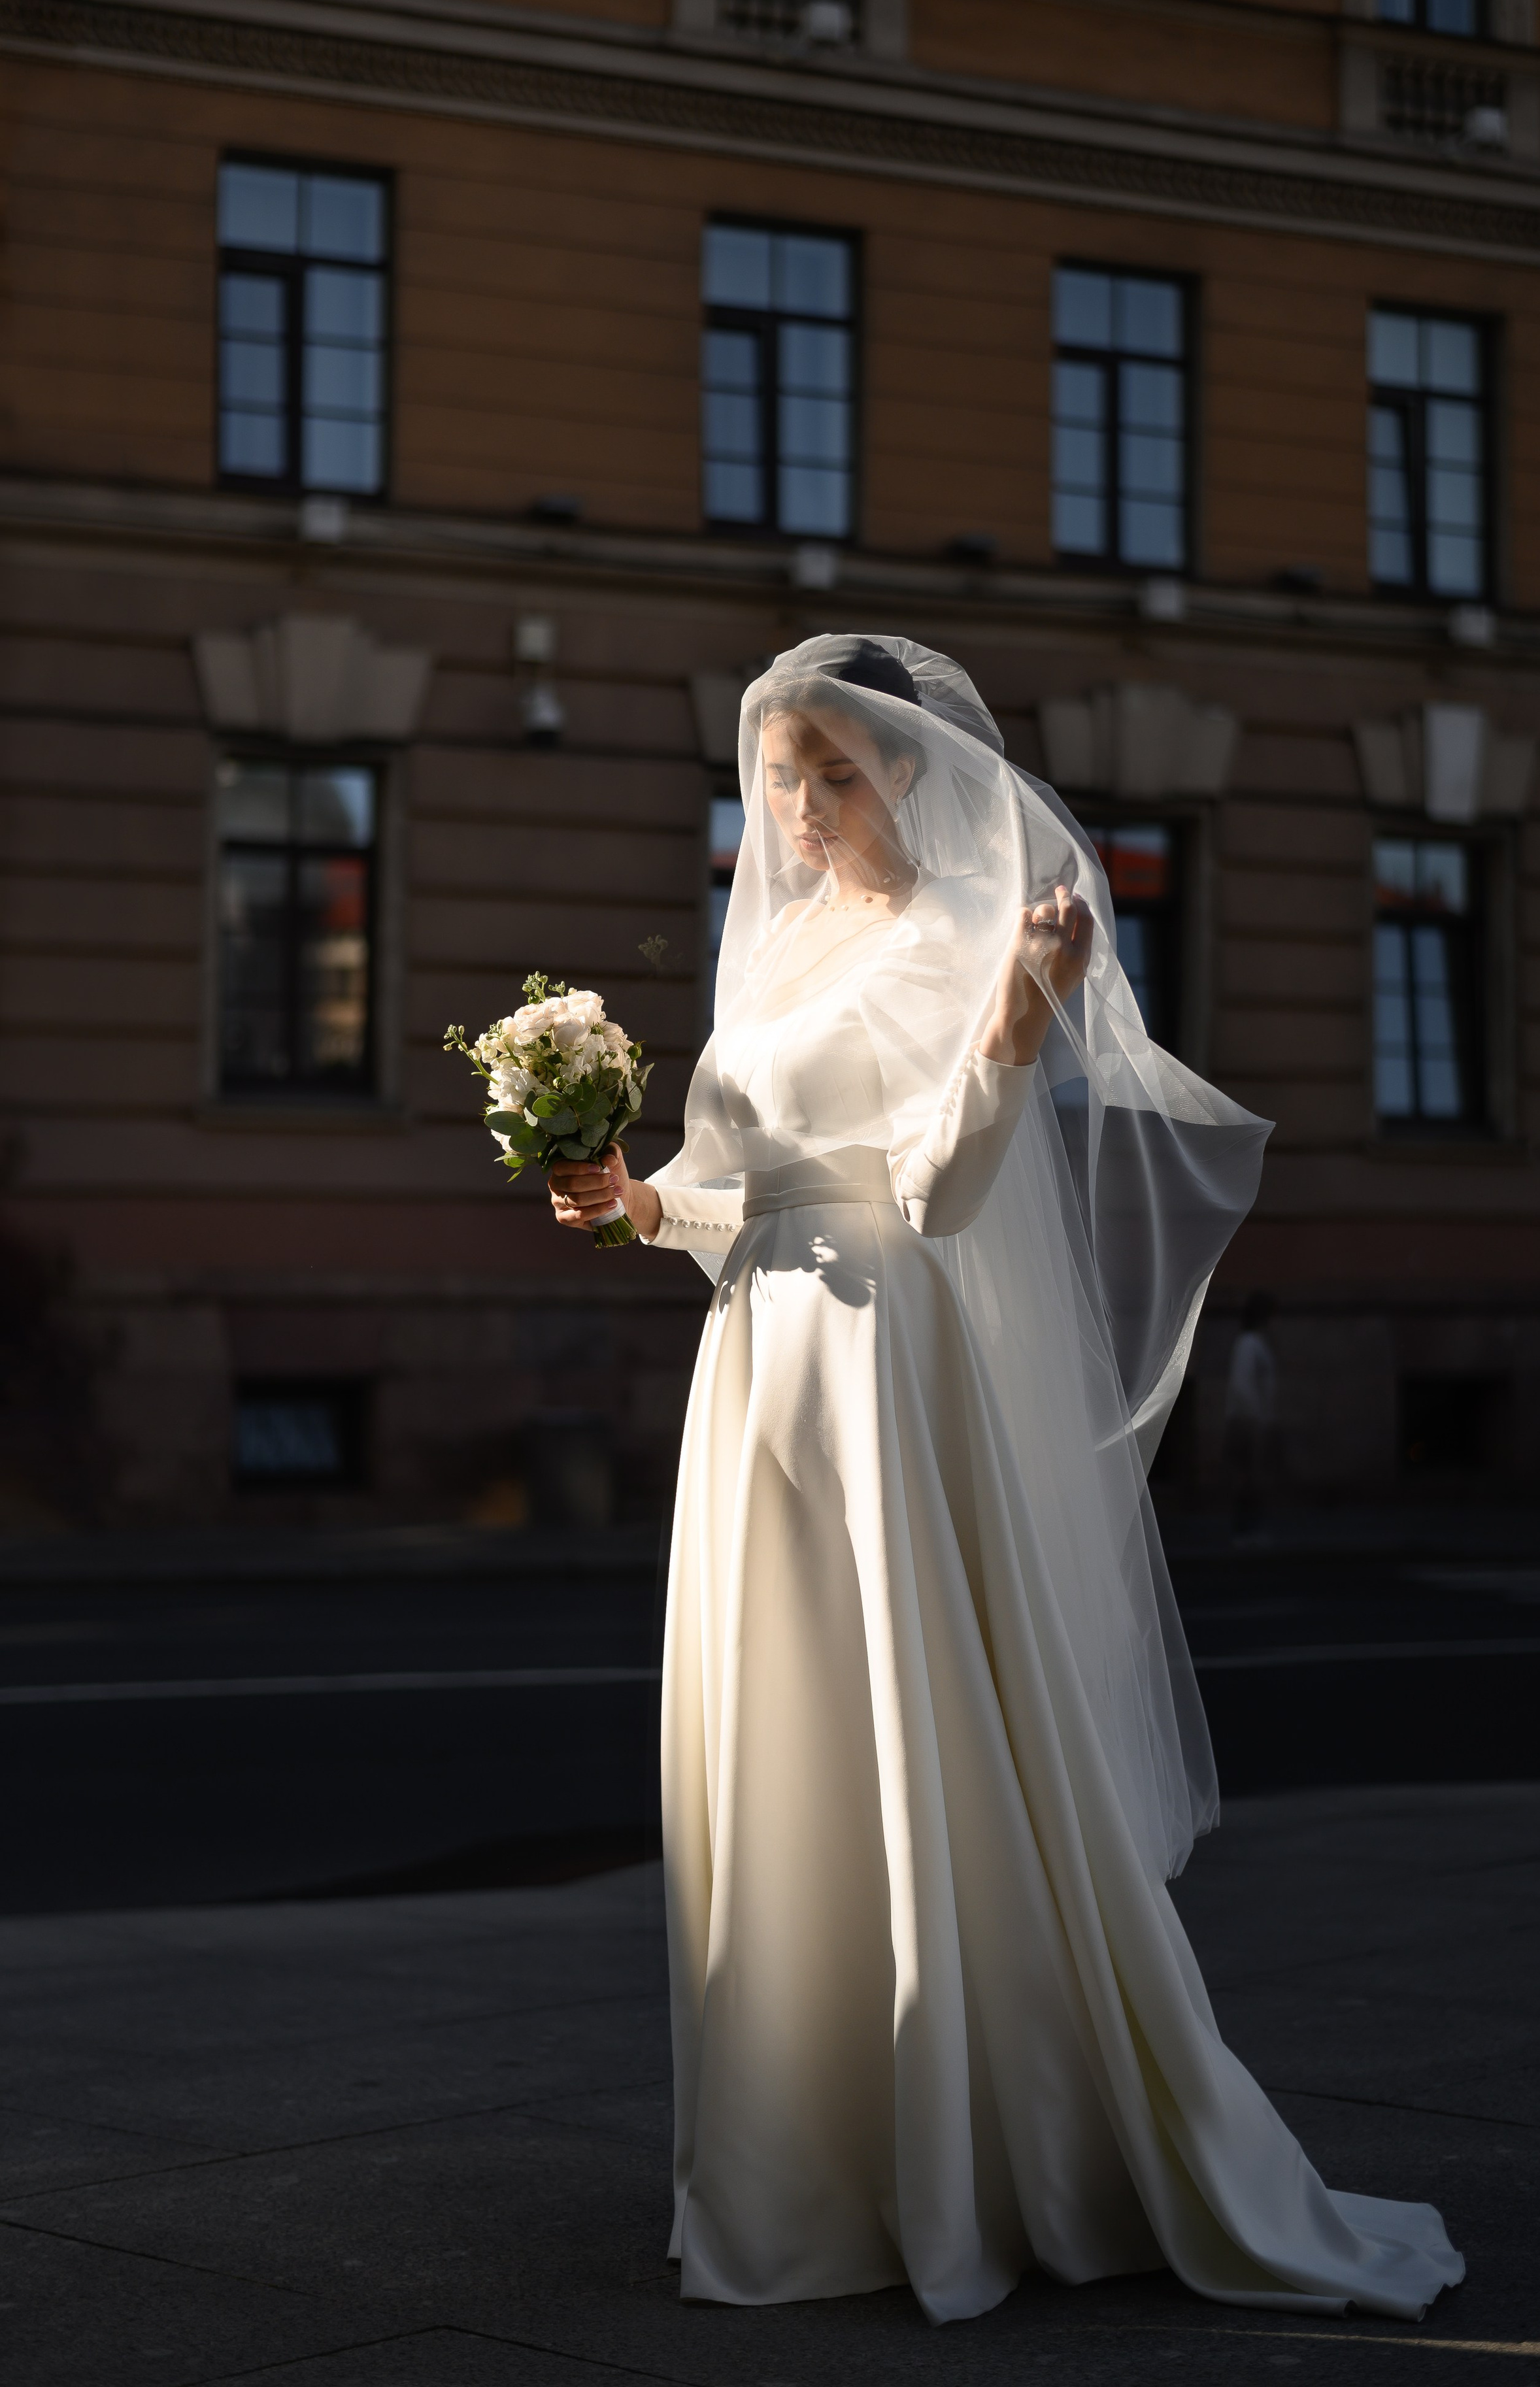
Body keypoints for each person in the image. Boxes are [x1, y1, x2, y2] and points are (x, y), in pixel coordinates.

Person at [547, 636, 1463, 2328]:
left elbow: (938, 1193)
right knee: (780, 1753)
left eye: (834, 770)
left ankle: (975, 2158)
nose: (801, 805)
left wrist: (1017, 1025)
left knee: (916, 1734)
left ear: (908, 768)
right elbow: (740, 1185)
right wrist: (635, 1201)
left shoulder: (961, 943)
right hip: (755, 1374)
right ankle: (799, 2170)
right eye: (783, 774)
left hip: (887, 1373)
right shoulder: (778, 950)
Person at [1224, 1290, 1279, 1543]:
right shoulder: (1249, 1344)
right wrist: (1257, 1419)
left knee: (1251, 1475)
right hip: (1248, 1421)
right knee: (1247, 1475)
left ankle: (1249, 1529)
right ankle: (1245, 1530)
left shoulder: (1255, 1344)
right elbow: (1242, 1384)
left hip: (1252, 1419)